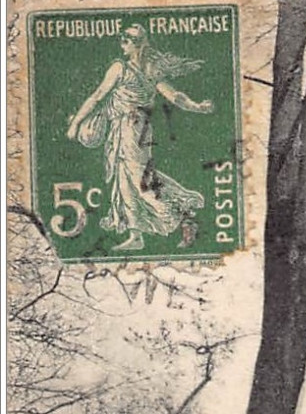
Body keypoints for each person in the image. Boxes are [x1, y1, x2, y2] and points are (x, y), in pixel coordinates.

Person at [65, 24, 214, 252]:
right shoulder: (149, 69)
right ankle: (136, 235)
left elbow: (97, 96)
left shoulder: (120, 68)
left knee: (138, 178)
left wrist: (76, 122)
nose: (122, 43)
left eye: (126, 39)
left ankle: (184, 215)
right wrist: (198, 107)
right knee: (125, 179)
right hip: (134, 127)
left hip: (130, 127)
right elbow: (175, 97)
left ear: (137, 44)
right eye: (122, 39)